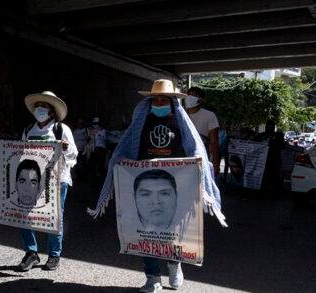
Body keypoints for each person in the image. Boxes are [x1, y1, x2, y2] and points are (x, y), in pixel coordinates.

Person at [89, 79, 226, 293]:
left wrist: (197, 164)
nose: (160, 102)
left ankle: (174, 265)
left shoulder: (181, 121)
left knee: (173, 230)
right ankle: (152, 276)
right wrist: (122, 162)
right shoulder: (142, 121)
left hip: (176, 183)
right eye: (156, 99)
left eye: (165, 99)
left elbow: (195, 148)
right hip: (145, 179)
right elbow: (126, 147)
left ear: (172, 102)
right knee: (146, 230)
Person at [17, 91, 77, 272]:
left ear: (52, 111)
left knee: (54, 217)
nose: (39, 109)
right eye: (37, 106)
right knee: (24, 215)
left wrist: (65, 148)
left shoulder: (61, 129)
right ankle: (31, 252)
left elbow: (74, 155)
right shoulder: (29, 130)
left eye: (44, 106)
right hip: (32, 181)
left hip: (57, 180)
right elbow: (19, 154)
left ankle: (54, 255)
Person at [184, 87, 220, 176]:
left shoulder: (209, 115)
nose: (189, 97)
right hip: (182, 156)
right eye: (188, 95)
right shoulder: (180, 114)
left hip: (200, 155)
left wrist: (216, 165)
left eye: (194, 95)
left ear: (200, 100)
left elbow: (214, 142)